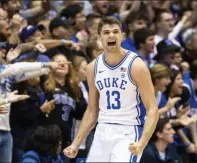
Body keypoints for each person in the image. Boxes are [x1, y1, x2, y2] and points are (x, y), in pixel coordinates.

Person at [63, 16, 159, 162]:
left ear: (122, 36)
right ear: (99, 37)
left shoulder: (136, 65)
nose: (111, 35)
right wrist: (76, 143)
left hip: (129, 130)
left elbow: (152, 109)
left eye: (115, 31)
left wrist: (143, 141)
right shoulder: (92, 68)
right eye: (106, 32)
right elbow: (92, 111)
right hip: (102, 130)